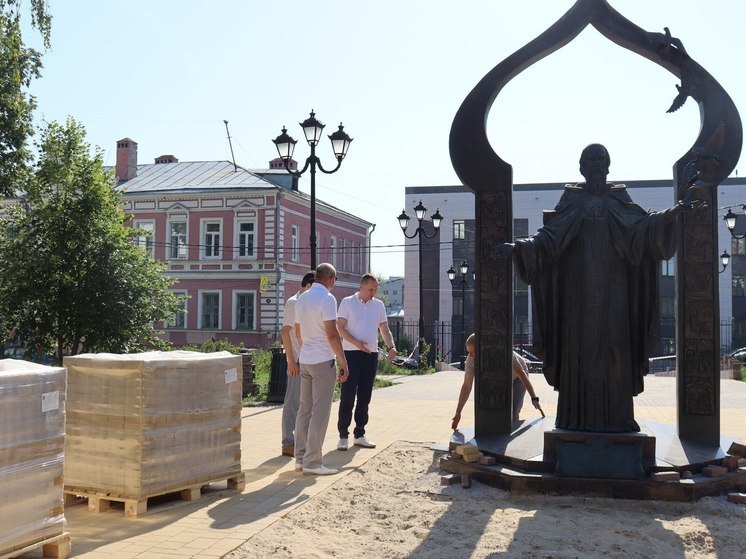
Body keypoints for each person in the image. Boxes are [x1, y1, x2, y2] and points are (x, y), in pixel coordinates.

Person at [498, 143, 697, 432]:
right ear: (581, 167)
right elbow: (548, 239)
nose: (596, 165)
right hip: (576, 295)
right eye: (591, 160)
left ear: (608, 165)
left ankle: (618, 418)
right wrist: (519, 247)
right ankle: (573, 418)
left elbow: (641, 230)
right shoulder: (572, 199)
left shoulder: (619, 198)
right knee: (577, 350)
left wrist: (668, 217)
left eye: (600, 159)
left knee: (617, 349)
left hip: (615, 293)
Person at [294, 263, 349, 475]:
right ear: (331, 279)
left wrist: (305, 349)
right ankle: (313, 462)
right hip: (322, 360)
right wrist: (343, 361)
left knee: (304, 409)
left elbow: (298, 333)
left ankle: (300, 458)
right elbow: (332, 335)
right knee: (320, 411)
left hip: (305, 358)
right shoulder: (327, 298)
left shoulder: (302, 298)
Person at [335, 274, 397, 451]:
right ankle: (343, 436)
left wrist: (391, 346)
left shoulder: (378, 305)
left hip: (371, 356)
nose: (373, 293)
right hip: (350, 355)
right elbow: (340, 328)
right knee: (347, 397)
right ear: (361, 287)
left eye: (375, 289)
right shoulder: (347, 302)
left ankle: (360, 434)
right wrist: (356, 344)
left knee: (365, 397)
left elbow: (384, 329)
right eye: (371, 289)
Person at [451, 334, 540, 430]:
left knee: (512, 411)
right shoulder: (471, 360)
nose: (471, 355)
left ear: (483, 348)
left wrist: (534, 398)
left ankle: (512, 435)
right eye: (468, 352)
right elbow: (467, 385)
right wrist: (458, 412)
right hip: (499, 379)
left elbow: (522, 375)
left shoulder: (504, 353)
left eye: (473, 352)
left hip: (517, 379)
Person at [279, 271, 315, 457]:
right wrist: (291, 361)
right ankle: (288, 442)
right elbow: (285, 332)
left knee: (306, 404)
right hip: (298, 360)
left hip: (309, 359)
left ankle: (301, 442)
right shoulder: (294, 302)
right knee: (293, 403)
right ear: (308, 286)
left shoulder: (306, 302)